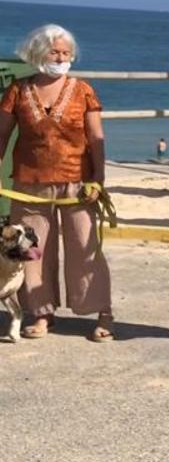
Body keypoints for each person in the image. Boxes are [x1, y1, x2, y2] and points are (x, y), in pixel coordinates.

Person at [0, 24, 113, 342]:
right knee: (32, 251)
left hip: (77, 184)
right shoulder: (18, 91)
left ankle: (103, 311)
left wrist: (98, 179)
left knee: (85, 246)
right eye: (54, 51)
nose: (61, 57)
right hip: (29, 182)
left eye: (66, 52)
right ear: (38, 53)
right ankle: (40, 313)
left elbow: (96, 138)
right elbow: (2, 135)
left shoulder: (83, 90)